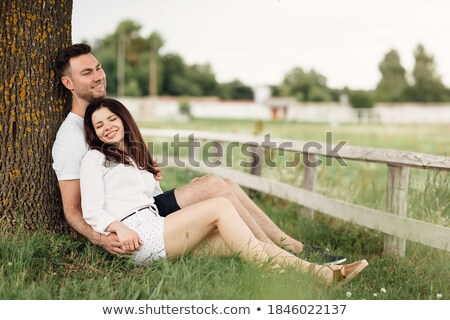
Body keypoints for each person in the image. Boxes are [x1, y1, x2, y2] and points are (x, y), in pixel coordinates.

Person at [52, 43, 346, 263]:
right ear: (69, 83)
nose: (98, 76)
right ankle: (287, 250)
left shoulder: (107, 117)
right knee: (215, 189)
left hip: (148, 203)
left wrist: (143, 173)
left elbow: (119, 174)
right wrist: (104, 240)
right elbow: (74, 209)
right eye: (86, 73)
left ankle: (287, 247)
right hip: (133, 218)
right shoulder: (71, 137)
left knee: (222, 184)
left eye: (98, 67)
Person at [80, 97, 368, 286]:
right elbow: (91, 209)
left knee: (239, 241)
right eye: (99, 125)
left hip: (155, 224)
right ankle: (298, 269)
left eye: (111, 120)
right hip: (135, 233)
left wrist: (148, 175)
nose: (107, 128)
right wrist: (117, 227)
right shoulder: (94, 158)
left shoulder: (132, 157)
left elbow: (151, 201)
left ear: (123, 118)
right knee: (219, 205)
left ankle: (318, 275)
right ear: (93, 133)